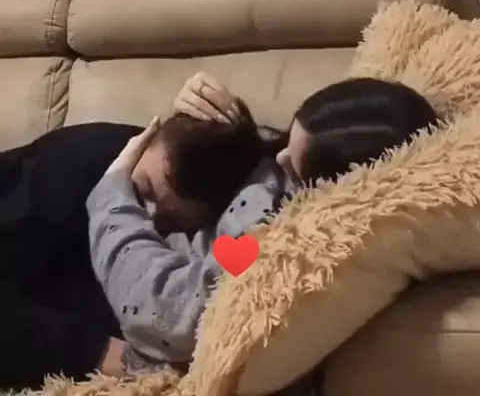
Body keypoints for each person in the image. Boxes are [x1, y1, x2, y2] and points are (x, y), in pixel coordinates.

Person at [87, 72, 440, 377]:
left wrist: (112, 193)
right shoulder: (284, 161)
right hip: (109, 188)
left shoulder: (286, 230)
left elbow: (167, 310)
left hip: (108, 232)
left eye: (294, 170)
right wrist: (198, 118)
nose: (279, 158)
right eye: (288, 139)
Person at [0, 105, 266, 391]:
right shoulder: (69, 169)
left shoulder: (222, 222)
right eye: (142, 190)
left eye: (171, 222)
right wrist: (100, 353)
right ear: (143, 145)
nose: (143, 219)